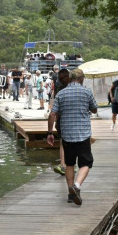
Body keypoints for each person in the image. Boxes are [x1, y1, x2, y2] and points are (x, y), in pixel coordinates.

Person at [47, 68, 97, 206]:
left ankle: (71, 193)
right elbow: (94, 109)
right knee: (86, 163)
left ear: (71, 78)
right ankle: (76, 186)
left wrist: (50, 133)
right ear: (81, 79)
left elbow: (52, 114)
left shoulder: (61, 94)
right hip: (83, 134)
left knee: (69, 164)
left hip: (67, 135)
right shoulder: (87, 92)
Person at [51, 68, 70, 176]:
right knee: (65, 142)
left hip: (63, 118)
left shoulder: (59, 87)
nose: (61, 80)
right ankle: (65, 164)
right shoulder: (67, 87)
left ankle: (64, 164)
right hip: (65, 118)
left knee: (64, 142)